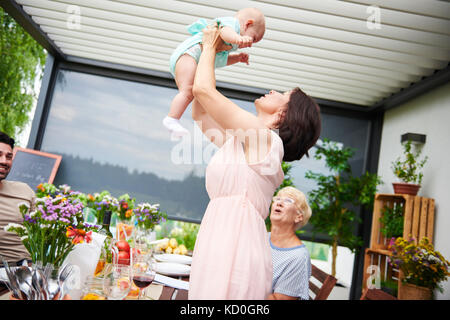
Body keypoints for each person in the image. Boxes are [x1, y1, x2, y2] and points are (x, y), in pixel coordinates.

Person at [187, 25, 321, 299]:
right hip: (219, 237)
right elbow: (200, 110)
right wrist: (213, 55)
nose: (272, 90)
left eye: (282, 93)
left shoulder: (265, 140)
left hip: (235, 245)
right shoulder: (244, 140)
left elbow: (203, 90)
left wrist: (211, 46)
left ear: (285, 114)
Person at [163, 7, 266, 136]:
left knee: (191, 92)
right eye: (254, 38)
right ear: (248, 24)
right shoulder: (231, 25)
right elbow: (224, 31)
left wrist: (237, 58)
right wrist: (237, 38)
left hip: (191, 60)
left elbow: (219, 60)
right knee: (187, 91)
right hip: (188, 54)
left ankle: (173, 119)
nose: (251, 43)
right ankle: (172, 119)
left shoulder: (227, 43)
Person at [267, 187, 312, 300]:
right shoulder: (261, 237)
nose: (279, 203)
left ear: (298, 217)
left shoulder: (298, 257)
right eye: (277, 199)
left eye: (288, 201)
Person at [0, 131, 34, 266]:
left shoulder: (24, 190)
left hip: (26, 270)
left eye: (9, 157)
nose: (4, 161)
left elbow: (41, 229)